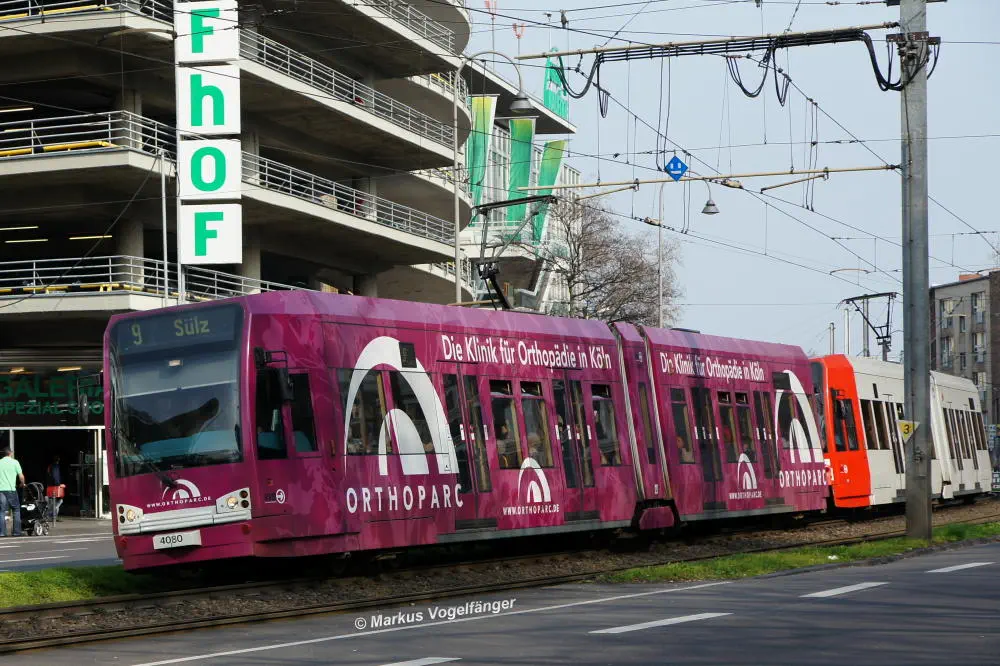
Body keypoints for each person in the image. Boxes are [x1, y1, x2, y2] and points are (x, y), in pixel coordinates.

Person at [0, 447, 25, 537]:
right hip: (11, 490)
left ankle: (2, 533)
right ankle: (16, 532)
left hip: (1, 490)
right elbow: (21, 476)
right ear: (10, 453)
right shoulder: (15, 462)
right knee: (16, 510)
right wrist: (22, 484)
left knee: (1, 511)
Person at [46, 456, 64, 522]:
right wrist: (59, 484)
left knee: (51, 502)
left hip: (49, 486)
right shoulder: (55, 467)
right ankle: (53, 516)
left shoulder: (49, 466)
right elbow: (55, 476)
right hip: (55, 487)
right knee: (58, 501)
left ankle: (51, 516)